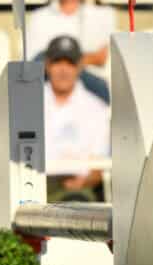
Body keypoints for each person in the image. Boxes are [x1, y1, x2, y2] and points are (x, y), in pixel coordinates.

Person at [42, 35, 110, 202]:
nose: (64, 69)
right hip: (35, 187)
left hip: (79, 192)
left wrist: (84, 181)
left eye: (70, 63)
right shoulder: (28, 104)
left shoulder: (97, 108)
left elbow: (98, 166)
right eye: (58, 62)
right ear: (47, 65)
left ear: (80, 66)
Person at [27, 0, 116, 74]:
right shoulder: (39, 17)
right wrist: (81, 60)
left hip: (86, 80)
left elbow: (101, 58)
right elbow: (33, 59)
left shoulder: (103, 15)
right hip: (50, 79)